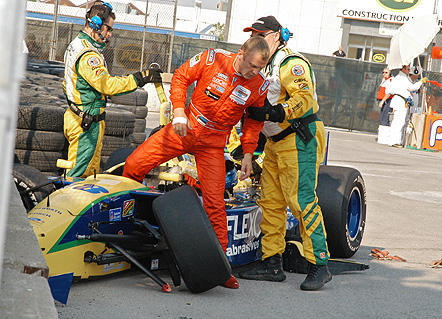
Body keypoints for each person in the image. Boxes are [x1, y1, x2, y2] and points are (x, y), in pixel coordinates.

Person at [123, 36, 271, 289]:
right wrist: (179, 111)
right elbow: (181, 77)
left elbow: (254, 121)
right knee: (134, 166)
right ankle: (124, 233)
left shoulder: (259, 85)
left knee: (215, 202)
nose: (254, 72)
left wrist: (248, 153)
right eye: (252, 65)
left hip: (213, 144)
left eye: (259, 68)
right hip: (184, 129)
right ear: (241, 52)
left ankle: (220, 267)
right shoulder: (213, 59)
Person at [238, 16, 331, 291]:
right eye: (253, 34)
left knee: (301, 201)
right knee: (271, 203)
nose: (257, 38)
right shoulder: (260, 66)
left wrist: (276, 112)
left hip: (299, 139)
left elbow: (305, 100)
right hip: (274, 143)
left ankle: (320, 265)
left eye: (262, 34)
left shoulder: (291, 63)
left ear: (277, 36)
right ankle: (271, 263)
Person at [63, 1, 161, 177]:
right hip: (85, 123)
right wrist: (139, 79)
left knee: (88, 176)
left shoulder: (77, 44)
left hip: (81, 117)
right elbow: (107, 85)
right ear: (95, 24)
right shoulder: (88, 55)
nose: (109, 35)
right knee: (77, 178)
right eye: (108, 29)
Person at [379, 65, 427, 147]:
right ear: (403, 69)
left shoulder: (399, 77)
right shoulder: (402, 78)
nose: (409, 71)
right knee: (399, 121)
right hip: (400, 100)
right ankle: (395, 141)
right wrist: (421, 82)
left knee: (397, 121)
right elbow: (412, 87)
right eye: (408, 69)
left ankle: (394, 140)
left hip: (400, 100)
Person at [376, 67, 393, 144]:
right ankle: (382, 136)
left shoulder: (390, 80)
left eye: (386, 72)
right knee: (382, 117)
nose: (384, 74)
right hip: (383, 100)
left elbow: (388, 93)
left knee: (385, 118)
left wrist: (382, 101)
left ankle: (385, 138)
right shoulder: (384, 80)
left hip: (386, 101)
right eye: (383, 72)